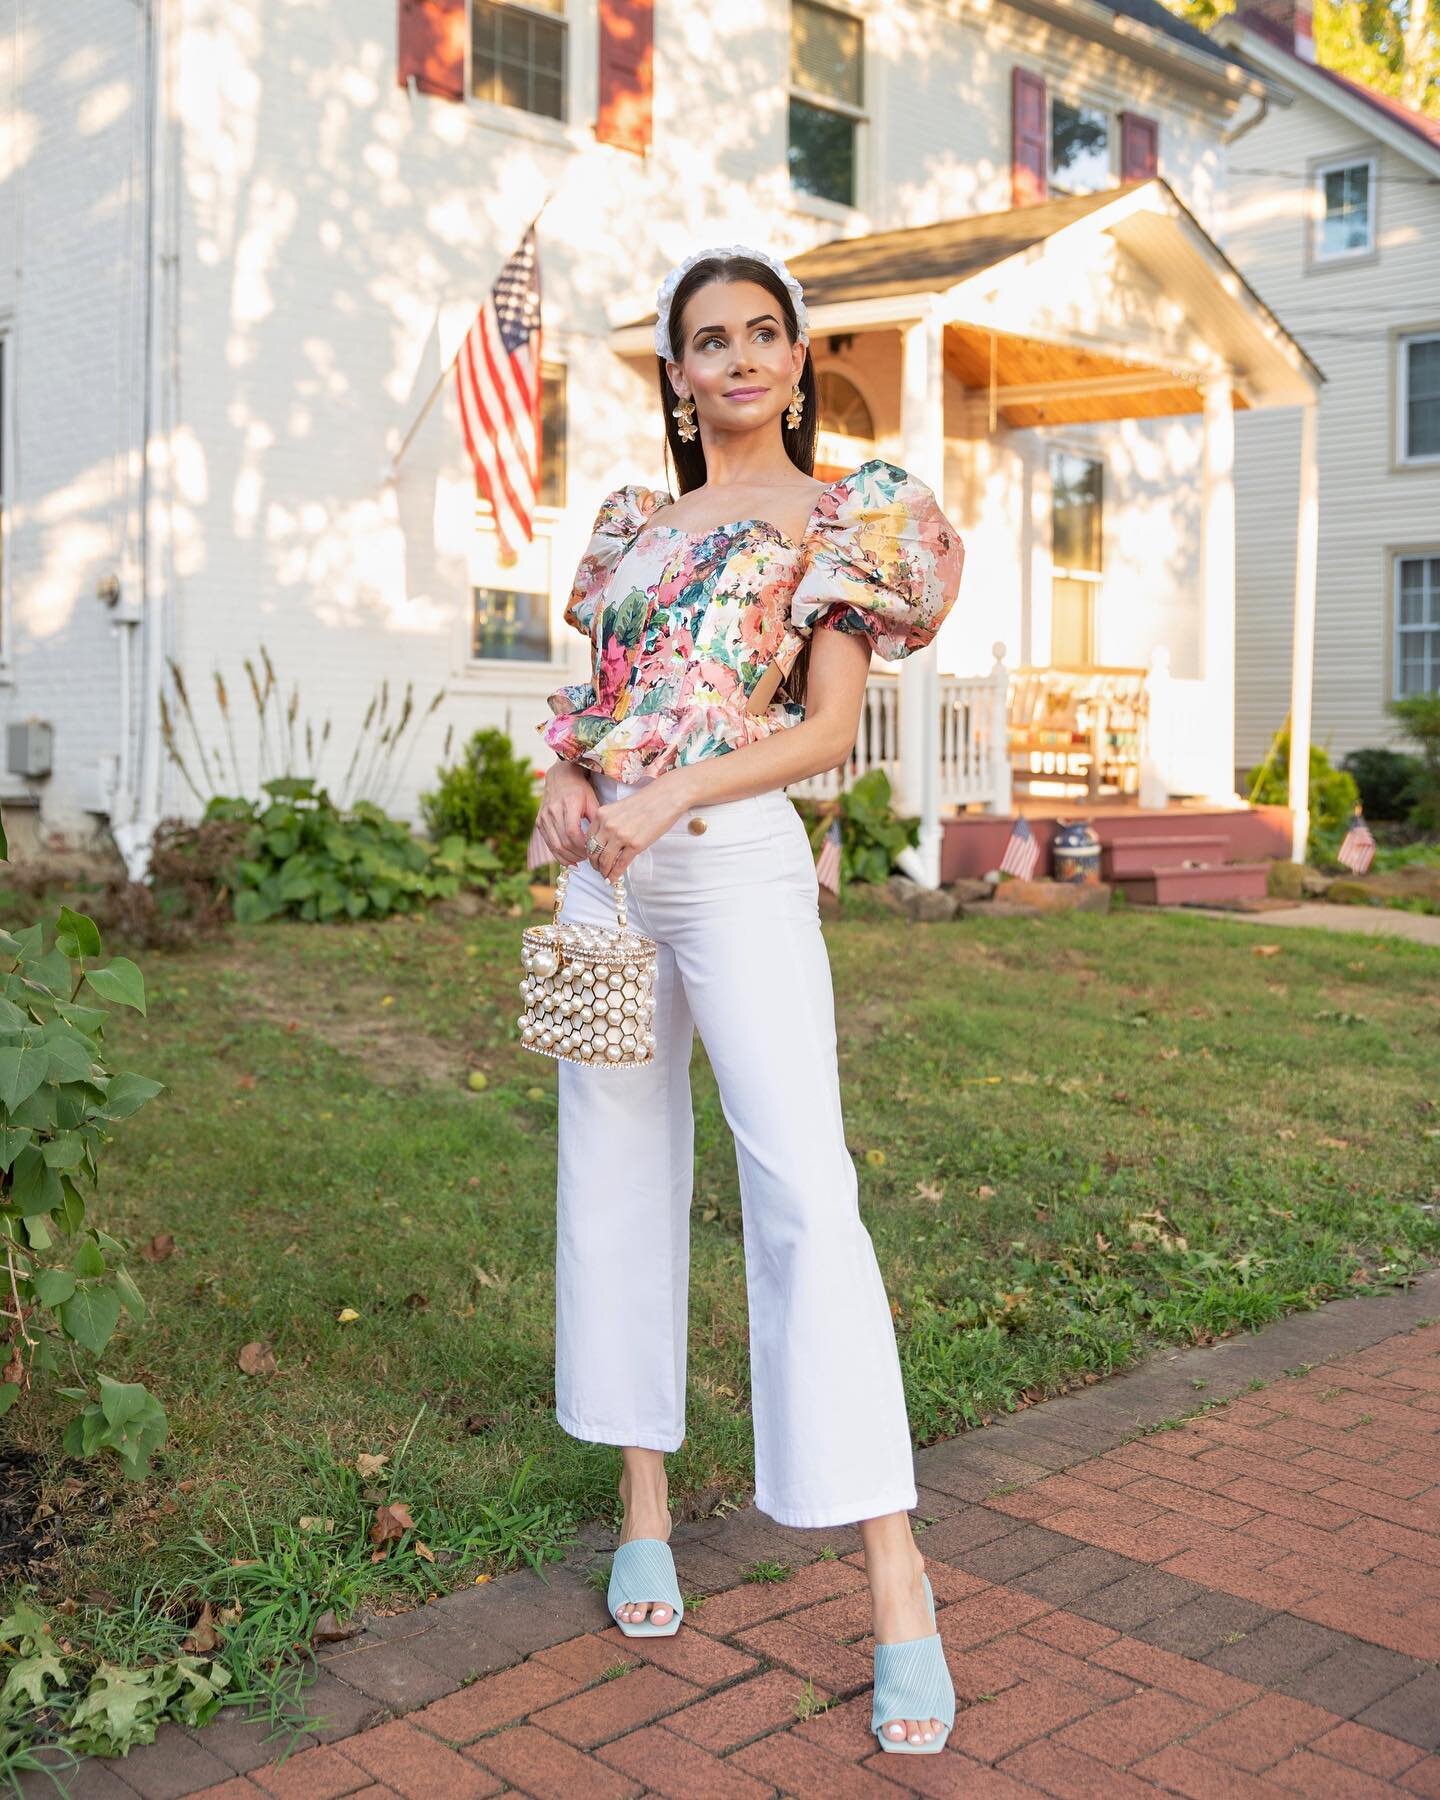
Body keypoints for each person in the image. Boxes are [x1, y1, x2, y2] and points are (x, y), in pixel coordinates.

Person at [531, 244, 964, 1756]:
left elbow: (828, 730)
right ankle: (643, 1504)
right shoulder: (636, 531)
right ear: (674, 373)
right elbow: (594, 709)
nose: (734, 358)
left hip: (731, 869)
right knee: (613, 1179)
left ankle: (897, 1583)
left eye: (760, 334)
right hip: (605, 884)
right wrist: (563, 792)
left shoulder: (844, 517)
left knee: (804, 1192)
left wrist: (671, 799)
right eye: (705, 340)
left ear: (796, 355)